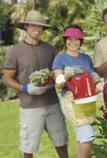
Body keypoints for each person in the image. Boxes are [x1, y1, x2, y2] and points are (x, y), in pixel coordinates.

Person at [2, 10, 68, 158]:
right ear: (26, 27)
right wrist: (25, 88)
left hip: (52, 103)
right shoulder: (15, 51)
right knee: (29, 147)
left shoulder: (50, 49)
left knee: (61, 140)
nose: (37, 29)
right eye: (33, 26)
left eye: (40, 27)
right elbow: (7, 78)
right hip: (30, 106)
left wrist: (53, 81)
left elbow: (58, 72)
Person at [52, 25, 96, 158]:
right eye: (69, 39)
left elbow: (92, 74)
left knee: (83, 136)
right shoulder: (60, 58)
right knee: (87, 135)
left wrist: (99, 81)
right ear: (65, 40)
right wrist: (66, 76)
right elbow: (58, 84)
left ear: (81, 41)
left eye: (77, 39)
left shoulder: (86, 58)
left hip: (87, 99)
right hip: (71, 101)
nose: (73, 42)